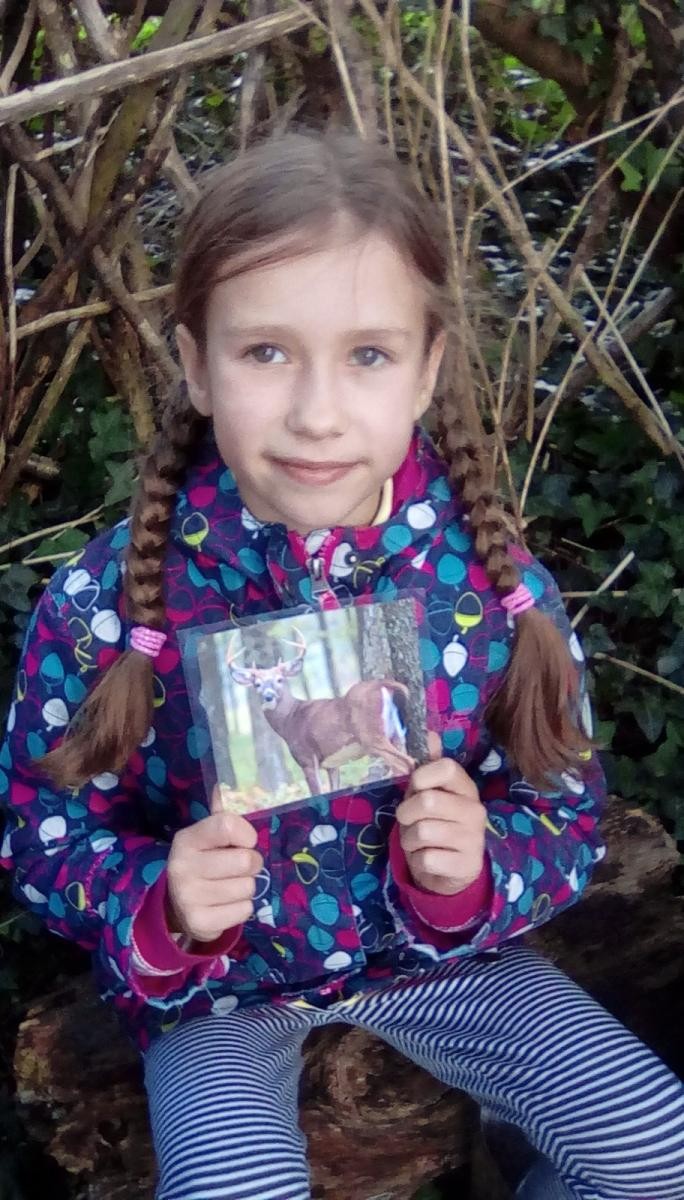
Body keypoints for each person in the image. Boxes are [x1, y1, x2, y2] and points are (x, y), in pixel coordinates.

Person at [1, 128, 683, 1200]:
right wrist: (161, 903)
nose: (317, 412)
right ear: (194, 362)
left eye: (368, 354)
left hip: (451, 966)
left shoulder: (495, 595)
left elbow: (565, 813)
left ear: (427, 368)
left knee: (661, 1153)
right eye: (265, 352)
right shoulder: (106, 605)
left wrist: (468, 875)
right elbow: (44, 843)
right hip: (223, 999)